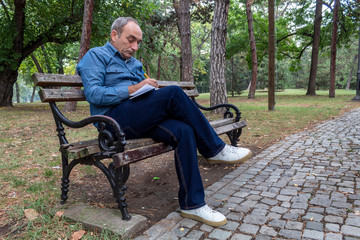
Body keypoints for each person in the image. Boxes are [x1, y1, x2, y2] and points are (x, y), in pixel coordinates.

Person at [77, 17, 252, 227]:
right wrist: (135, 88)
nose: (134, 47)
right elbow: (94, 94)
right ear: (114, 35)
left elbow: (140, 94)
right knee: (174, 94)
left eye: (138, 42)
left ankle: (192, 204)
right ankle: (215, 149)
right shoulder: (96, 56)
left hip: (139, 116)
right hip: (113, 122)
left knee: (184, 130)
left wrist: (148, 89)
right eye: (130, 40)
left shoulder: (135, 64)